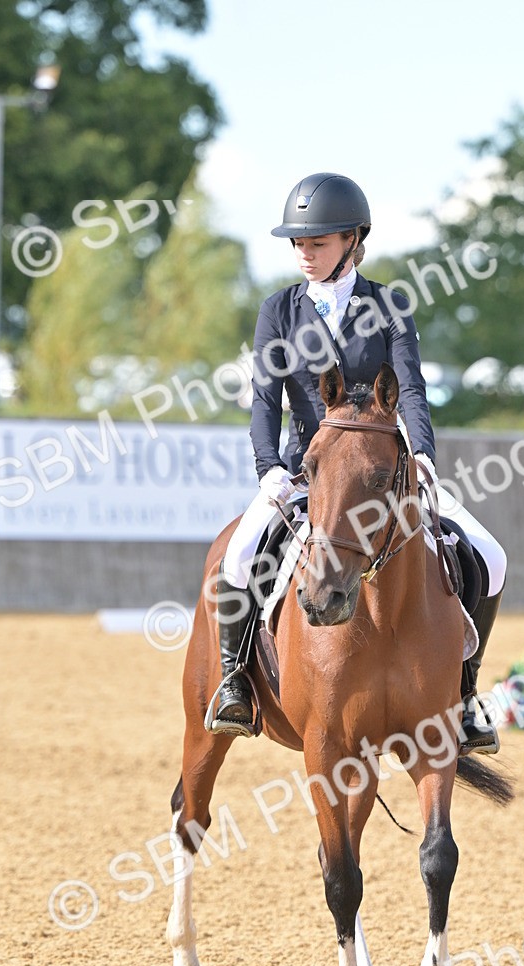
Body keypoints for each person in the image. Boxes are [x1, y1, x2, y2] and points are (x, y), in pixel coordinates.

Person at [210, 172, 506, 752]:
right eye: (297, 244)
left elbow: (412, 390)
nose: (304, 255)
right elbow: (265, 397)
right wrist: (268, 466)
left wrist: (423, 453)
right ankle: (234, 681)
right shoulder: (278, 311)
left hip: (385, 474)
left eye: (316, 243)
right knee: (242, 554)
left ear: (351, 240)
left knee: (490, 557)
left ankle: (465, 693)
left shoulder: (389, 305)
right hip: (306, 471)